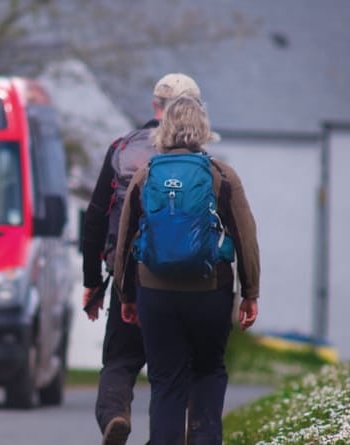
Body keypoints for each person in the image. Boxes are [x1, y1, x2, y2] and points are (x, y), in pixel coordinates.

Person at [113, 94, 260, 445]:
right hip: (210, 292)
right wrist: (250, 292)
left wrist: (126, 295)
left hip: (156, 294)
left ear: (164, 129)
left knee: (166, 381)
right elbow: (246, 238)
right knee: (208, 370)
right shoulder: (221, 175)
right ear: (203, 129)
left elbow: (124, 240)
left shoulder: (146, 174)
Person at [81, 73, 204, 445]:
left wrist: (92, 281)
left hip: (127, 275)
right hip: (184, 281)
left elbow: (96, 216)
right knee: (173, 371)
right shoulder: (201, 160)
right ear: (195, 110)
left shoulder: (122, 148)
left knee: (119, 362)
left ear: (155, 105)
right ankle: (169, 437)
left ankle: (116, 415)